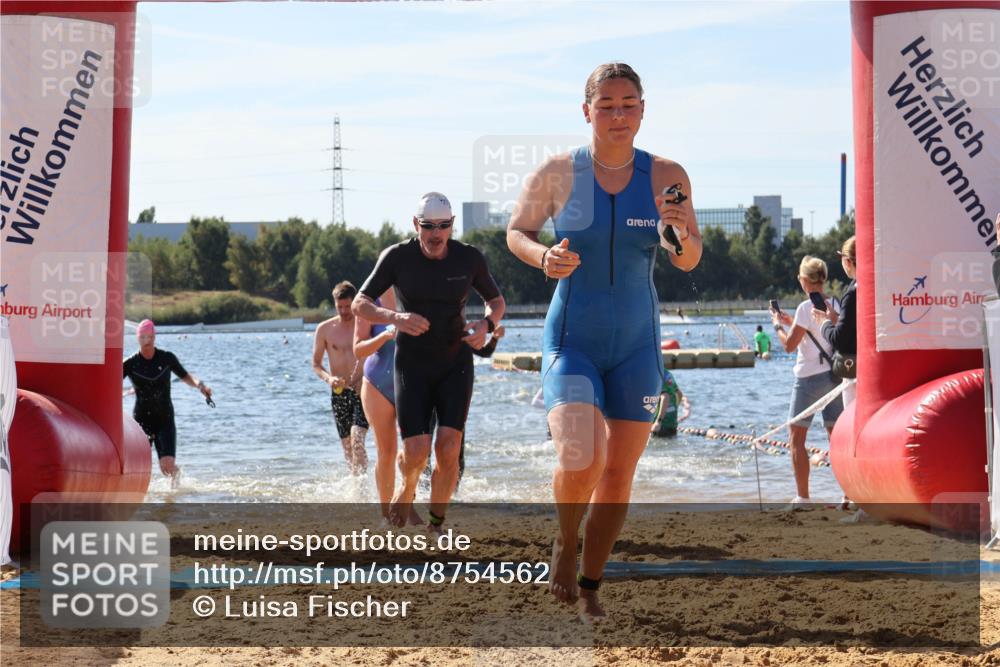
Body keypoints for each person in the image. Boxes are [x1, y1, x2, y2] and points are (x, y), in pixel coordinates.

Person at [506, 62, 702, 620]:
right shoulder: (559, 173)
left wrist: (678, 236)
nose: (619, 114)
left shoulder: (666, 175)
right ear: (587, 110)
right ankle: (565, 541)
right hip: (573, 339)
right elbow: (516, 232)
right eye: (608, 104)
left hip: (638, 345)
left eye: (630, 104)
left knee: (619, 471)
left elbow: (689, 257)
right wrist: (543, 256)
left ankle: (591, 581)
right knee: (580, 450)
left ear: (643, 109)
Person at [353, 192, 505, 531]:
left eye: (443, 226)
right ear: (415, 224)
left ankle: (436, 524)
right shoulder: (397, 257)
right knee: (417, 452)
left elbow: (496, 301)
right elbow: (359, 303)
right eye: (428, 226)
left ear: (452, 225)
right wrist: (395, 317)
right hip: (413, 365)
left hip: (455, 362)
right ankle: (406, 489)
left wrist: (487, 325)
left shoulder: (469, 258)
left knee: (449, 447)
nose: (436, 234)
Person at [770, 256, 843, 507]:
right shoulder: (835, 304)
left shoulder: (804, 308)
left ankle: (803, 497)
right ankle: (849, 494)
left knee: (796, 439)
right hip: (834, 379)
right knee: (837, 439)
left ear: (804, 280)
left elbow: (790, 346)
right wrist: (793, 323)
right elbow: (819, 333)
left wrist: (778, 327)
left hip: (808, 380)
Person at [123, 319, 212, 485]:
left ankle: (175, 497)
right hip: (142, 421)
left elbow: (186, 376)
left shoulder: (166, 358)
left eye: (149, 337)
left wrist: (200, 385)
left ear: (154, 337)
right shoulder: (130, 363)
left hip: (165, 419)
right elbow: (110, 382)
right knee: (136, 466)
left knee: (167, 467)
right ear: (138, 339)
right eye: (142, 338)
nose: (146, 341)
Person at [313, 281, 368, 474]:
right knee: (347, 447)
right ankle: (357, 488)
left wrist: (367, 378)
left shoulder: (364, 325)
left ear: (354, 303)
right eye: (340, 307)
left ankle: (362, 490)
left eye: (347, 306)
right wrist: (329, 379)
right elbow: (316, 364)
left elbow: (378, 353)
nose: (344, 311)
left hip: (362, 390)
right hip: (339, 392)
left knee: (357, 438)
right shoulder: (325, 329)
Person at [813, 236, 858, 406]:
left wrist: (824, 323)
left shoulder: (852, 292)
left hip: (855, 371)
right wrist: (837, 320)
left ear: (847, 262)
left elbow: (840, 340)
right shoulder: (873, 285)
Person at [651, 369, 687, 438]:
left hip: (661, 425)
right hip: (672, 422)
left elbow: (665, 397)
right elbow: (679, 394)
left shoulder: (657, 374)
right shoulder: (668, 374)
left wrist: (658, 421)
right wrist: (675, 408)